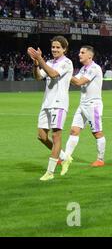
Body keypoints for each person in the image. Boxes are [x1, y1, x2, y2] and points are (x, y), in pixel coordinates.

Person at [27, 36, 73, 181]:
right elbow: (39, 77)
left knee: (56, 136)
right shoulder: (49, 62)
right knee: (41, 136)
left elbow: (53, 74)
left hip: (59, 104)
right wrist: (36, 64)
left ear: (64, 49)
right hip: (47, 103)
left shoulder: (66, 63)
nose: (54, 49)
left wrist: (39, 59)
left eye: (58, 47)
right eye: (53, 47)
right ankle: (65, 157)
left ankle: (50, 172)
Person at [60, 45, 106, 176]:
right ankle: (66, 157)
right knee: (74, 130)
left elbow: (80, 82)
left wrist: (66, 73)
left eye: (82, 52)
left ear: (90, 56)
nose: (79, 54)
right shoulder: (83, 68)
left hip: (93, 105)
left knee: (97, 133)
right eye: (80, 52)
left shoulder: (94, 68)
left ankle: (100, 159)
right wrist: (67, 75)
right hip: (83, 104)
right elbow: (75, 81)